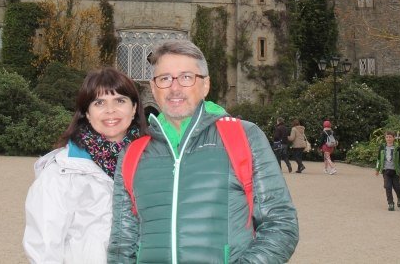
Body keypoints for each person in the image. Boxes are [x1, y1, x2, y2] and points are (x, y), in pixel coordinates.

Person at [107, 40, 298, 263]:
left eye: (186, 77)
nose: (174, 88)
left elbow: (281, 224)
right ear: (153, 87)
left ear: (205, 85)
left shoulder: (244, 136)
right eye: (165, 78)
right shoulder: (133, 154)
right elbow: (122, 244)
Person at [23, 67, 147, 263]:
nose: (110, 110)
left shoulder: (153, 164)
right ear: (87, 113)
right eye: (99, 102)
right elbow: (44, 248)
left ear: (134, 108)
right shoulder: (62, 172)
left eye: (120, 101)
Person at [374, 130, 400, 211]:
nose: (388, 138)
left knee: (397, 187)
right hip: (386, 171)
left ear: (394, 138)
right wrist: (377, 169)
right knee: (387, 187)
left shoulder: (398, 148)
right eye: (387, 137)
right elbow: (378, 159)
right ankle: (390, 203)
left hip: (395, 171)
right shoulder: (382, 147)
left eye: (390, 137)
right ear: (385, 138)